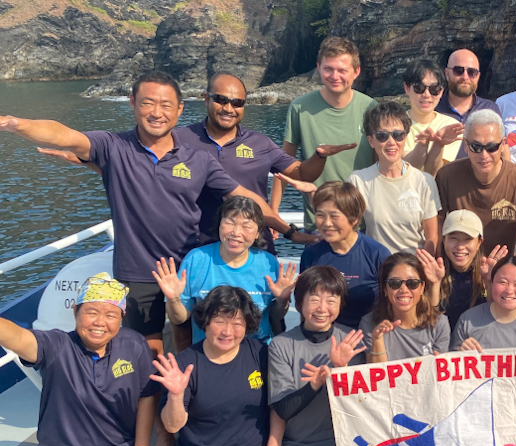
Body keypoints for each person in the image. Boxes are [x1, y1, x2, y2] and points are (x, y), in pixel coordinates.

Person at [0, 70, 294, 359]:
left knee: (189, 338)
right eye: (147, 103)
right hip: (138, 269)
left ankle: (189, 387)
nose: (157, 112)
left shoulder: (197, 158)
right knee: (148, 349)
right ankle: (151, 392)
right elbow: (65, 135)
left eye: (166, 105)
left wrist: (289, 231)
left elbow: (243, 196)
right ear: (132, 102)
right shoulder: (113, 147)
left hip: (186, 263)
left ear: (179, 109)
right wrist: (15, 124)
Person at [0, 274, 169, 446]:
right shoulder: (55, 346)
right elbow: (18, 337)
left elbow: (146, 395)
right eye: (91, 312)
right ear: (75, 311)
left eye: (110, 314)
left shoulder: (133, 344)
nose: (100, 322)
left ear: (122, 317)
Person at [152, 286, 281, 446]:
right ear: (205, 322)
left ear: (248, 325)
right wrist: (176, 396)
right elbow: (172, 426)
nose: (228, 331)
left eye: (237, 323)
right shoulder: (185, 363)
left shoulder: (260, 353)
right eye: (220, 321)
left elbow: (277, 406)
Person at [175, 73, 333, 252]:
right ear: (206, 98)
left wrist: (320, 156)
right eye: (220, 100)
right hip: (199, 250)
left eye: (237, 103)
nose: (228, 108)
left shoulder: (260, 143)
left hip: (256, 249)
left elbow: (303, 174)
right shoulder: (179, 140)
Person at [268, 266, 366, 446]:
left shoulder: (350, 342)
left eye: (331, 300)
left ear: (341, 304)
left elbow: (361, 404)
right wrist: (314, 384)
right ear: (299, 303)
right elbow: (283, 409)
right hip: (298, 442)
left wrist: (341, 371)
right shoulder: (281, 345)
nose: (322, 308)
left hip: (337, 440)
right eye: (314, 299)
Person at [153, 196, 297, 345]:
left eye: (246, 226)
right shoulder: (196, 259)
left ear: (257, 233)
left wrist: (282, 300)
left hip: (256, 348)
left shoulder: (268, 263)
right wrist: (173, 299)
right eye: (230, 223)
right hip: (209, 349)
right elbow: (179, 318)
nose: (236, 232)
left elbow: (276, 315)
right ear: (219, 224)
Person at [276, 36, 377, 231]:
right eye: (328, 69)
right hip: (319, 224)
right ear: (318, 68)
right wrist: (273, 211)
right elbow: (284, 162)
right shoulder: (300, 108)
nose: (334, 76)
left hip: (362, 223)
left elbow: (379, 165)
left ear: (356, 72)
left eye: (342, 70)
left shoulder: (371, 108)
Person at [435, 109, 516, 252]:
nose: (484, 155)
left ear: (503, 145)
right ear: (466, 146)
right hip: (459, 259)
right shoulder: (447, 176)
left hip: (502, 264)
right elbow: (437, 224)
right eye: (476, 147)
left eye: (491, 147)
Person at [348, 101, 441, 254]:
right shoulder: (358, 181)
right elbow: (346, 226)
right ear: (371, 141)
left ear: (405, 137)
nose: (391, 142)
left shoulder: (424, 181)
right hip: (377, 264)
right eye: (382, 136)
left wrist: (424, 267)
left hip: (414, 265)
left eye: (398, 135)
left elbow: (432, 237)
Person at [299, 181, 391, 329]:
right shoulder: (311, 256)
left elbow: (391, 305)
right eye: (320, 215)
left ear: (354, 218)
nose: (327, 223)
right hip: (325, 336)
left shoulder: (377, 254)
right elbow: (306, 310)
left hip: (368, 335)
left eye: (334, 216)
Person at [451, 255, 516, 351]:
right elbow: (450, 362)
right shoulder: (467, 320)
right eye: (503, 282)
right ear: (491, 283)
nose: (509, 290)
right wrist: (460, 353)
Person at [360, 252, 450, 362]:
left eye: (412, 283)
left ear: (422, 287)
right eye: (395, 283)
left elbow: (440, 370)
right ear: (385, 289)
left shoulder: (439, 323)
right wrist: (377, 339)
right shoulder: (370, 323)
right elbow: (378, 371)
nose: (404, 289)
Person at [432, 210, 508, 328]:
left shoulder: (487, 272)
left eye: (467, 239)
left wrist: (489, 282)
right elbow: (430, 320)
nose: (460, 246)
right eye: (453, 238)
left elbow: (497, 320)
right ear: (443, 240)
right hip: (444, 338)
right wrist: (435, 284)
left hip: (479, 336)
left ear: (479, 242)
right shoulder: (433, 272)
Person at [437, 49, 502, 160]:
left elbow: (502, 150)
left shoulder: (490, 109)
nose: (465, 77)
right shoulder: (433, 108)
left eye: (471, 72)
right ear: (447, 74)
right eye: (458, 71)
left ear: (478, 76)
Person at [401, 59, 464, 176]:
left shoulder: (450, 126)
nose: (427, 95)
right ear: (407, 88)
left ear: (441, 92)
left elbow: (435, 173)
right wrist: (422, 145)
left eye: (434, 89)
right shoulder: (395, 124)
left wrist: (439, 144)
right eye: (419, 88)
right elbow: (406, 168)